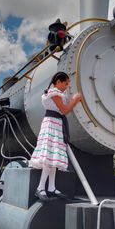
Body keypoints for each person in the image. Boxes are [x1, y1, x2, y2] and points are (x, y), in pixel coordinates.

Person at [29, 71, 82, 201]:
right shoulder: (54, 93)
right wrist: (75, 100)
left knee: (53, 157)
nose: (67, 85)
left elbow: (62, 111)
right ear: (58, 82)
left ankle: (51, 187)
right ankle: (40, 188)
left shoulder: (57, 94)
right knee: (49, 155)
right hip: (52, 124)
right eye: (66, 83)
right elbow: (64, 110)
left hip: (56, 124)